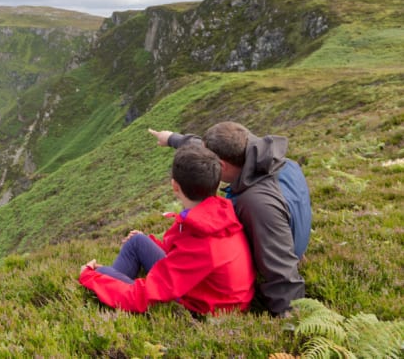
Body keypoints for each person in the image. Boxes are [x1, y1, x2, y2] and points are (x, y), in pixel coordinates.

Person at [148, 122, 306, 315]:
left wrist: (293, 326)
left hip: (247, 277)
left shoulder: (256, 204)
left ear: (221, 166)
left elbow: (282, 271)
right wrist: (173, 138)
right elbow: (206, 153)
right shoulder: (280, 163)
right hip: (285, 239)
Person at [78, 145, 255, 315]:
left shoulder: (202, 242)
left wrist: (90, 276)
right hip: (212, 293)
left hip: (202, 309)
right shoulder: (218, 212)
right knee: (137, 242)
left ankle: (111, 292)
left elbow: (142, 296)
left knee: (100, 274)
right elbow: (186, 254)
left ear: (174, 186)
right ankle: (114, 286)